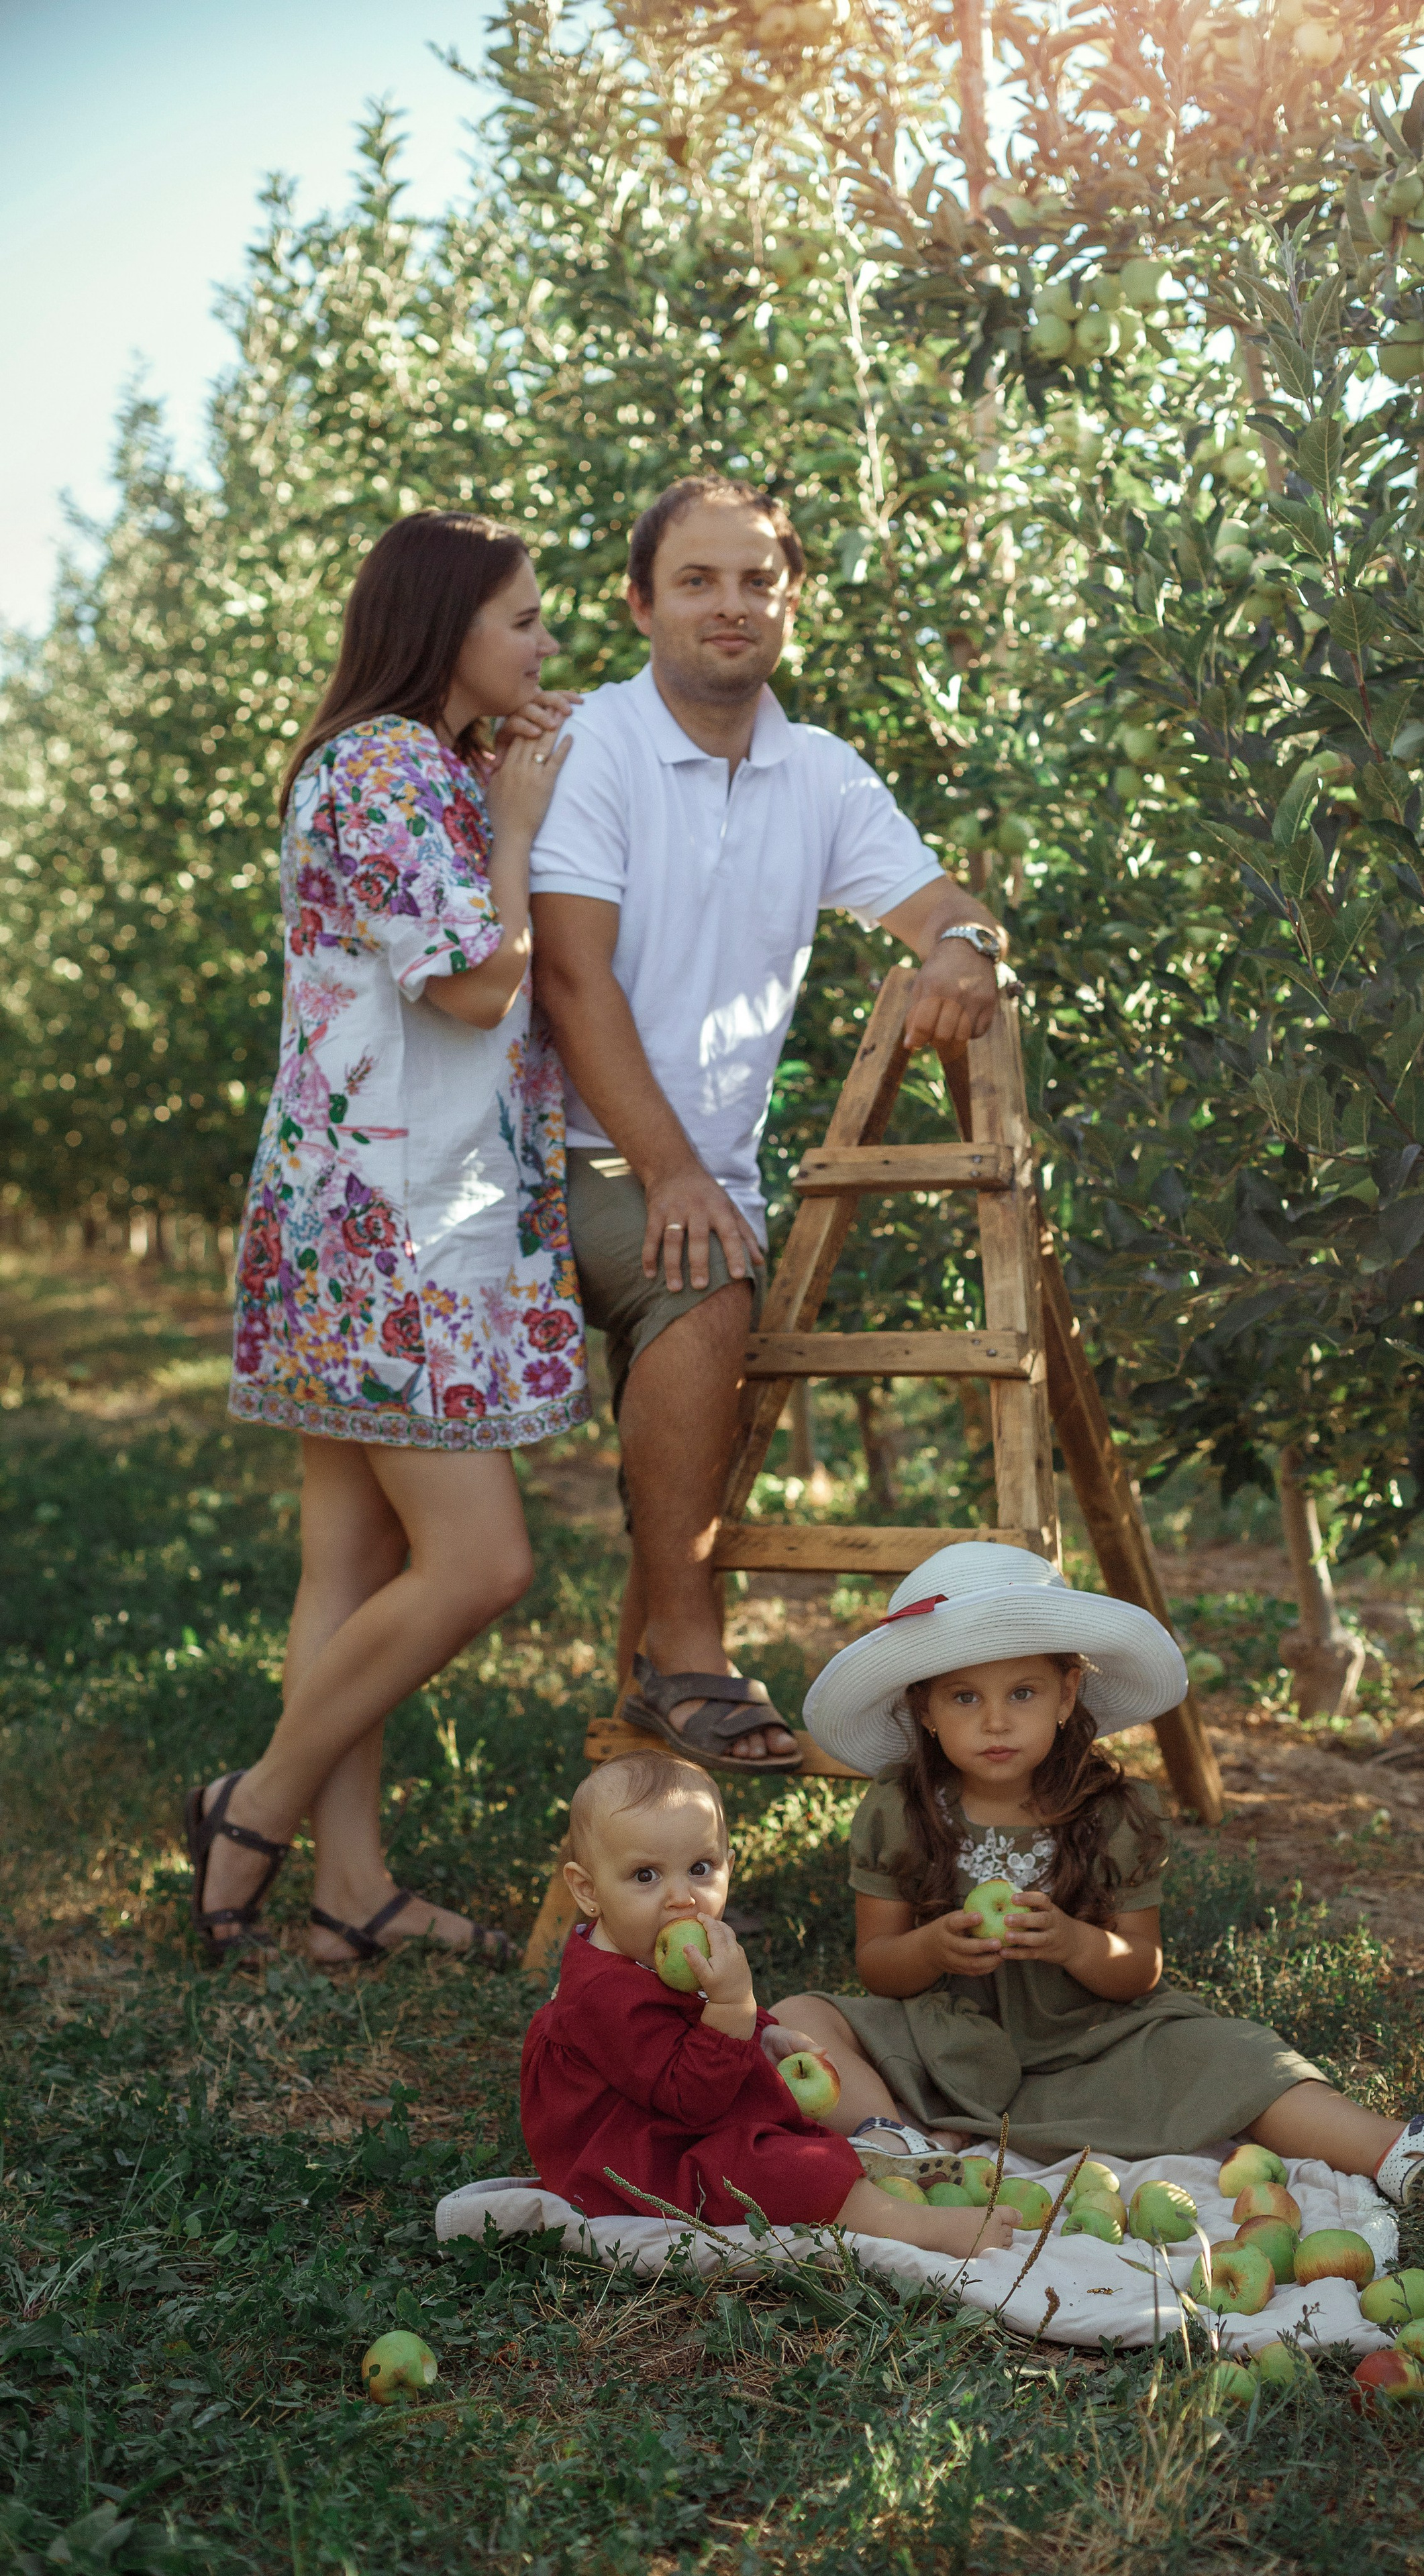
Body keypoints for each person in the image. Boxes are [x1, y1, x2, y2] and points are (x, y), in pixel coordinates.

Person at [528, 475, 1011, 1776]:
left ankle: (664, 1668)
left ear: (792, 604)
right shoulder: (594, 748)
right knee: (705, 1274)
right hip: (558, 1153)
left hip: (703, 1171)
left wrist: (964, 947)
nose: (730, 605)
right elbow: (570, 977)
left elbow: (942, 907)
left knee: (710, 1258)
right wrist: (673, 1172)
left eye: (757, 581)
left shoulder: (821, 775)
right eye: (697, 580)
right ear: (641, 604)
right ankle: (685, 1660)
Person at [190, 511, 587, 1966]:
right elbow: (474, 988)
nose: (547, 643)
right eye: (524, 620)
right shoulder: (382, 770)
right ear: (446, 628)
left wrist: (499, 772)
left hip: (367, 1206)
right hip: (390, 1227)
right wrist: (520, 822)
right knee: (481, 1564)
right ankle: (255, 1805)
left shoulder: (413, 764)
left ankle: (349, 1890)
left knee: (350, 1562)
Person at [770, 1542, 1424, 2202]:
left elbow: (1138, 1972)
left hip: (1091, 2041)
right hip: (943, 2042)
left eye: (1022, 1691)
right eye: (963, 1698)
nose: (995, 1721)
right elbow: (878, 1968)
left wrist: (1074, 1944)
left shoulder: (1112, 1813)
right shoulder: (899, 1809)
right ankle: (899, 2144)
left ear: (1067, 1694)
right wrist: (933, 1948)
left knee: (1237, 2055)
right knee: (799, 2015)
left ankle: (1402, 2152)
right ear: (923, 1708)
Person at [520, 1746, 1018, 2256]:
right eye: (645, 1875)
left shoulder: (648, 1945)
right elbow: (691, 2100)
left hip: (676, 2125)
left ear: (729, 1866)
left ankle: (877, 2162)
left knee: (791, 2135)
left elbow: (685, 2027)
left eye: (700, 1868)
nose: (682, 1897)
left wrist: (761, 2031)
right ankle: (916, 2226)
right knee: (785, 2170)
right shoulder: (602, 1995)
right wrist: (733, 2007)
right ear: (588, 1890)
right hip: (637, 2165)